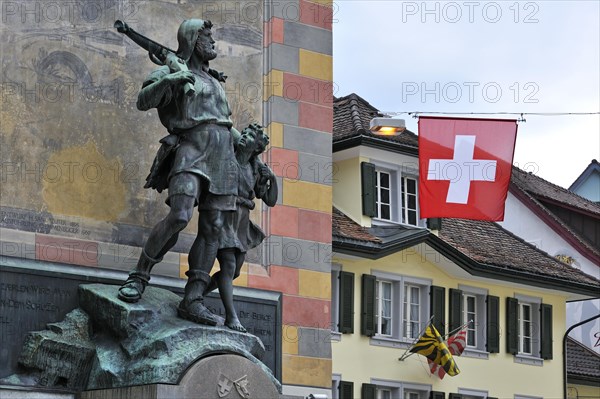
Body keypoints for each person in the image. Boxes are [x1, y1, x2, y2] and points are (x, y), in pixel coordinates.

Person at [117, 19, 240, 327]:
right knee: (180, 216)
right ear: (192, 38)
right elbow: (143, 101)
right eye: (207, 36)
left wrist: (252, 155)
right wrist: (173, 80)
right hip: (191, 147)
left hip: (223, 154)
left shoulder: (213, 80)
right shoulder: (170, 70)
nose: (213, 43)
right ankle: (139, 275)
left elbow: (225, 122)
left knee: (213, 227)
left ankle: (193, 298)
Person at [199, 123, 277, 332]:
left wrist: (273, 179)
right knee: (229, 265)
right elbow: (226, 126)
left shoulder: (254, 169)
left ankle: (197, 293)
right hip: (224, 215)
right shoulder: (229, 156)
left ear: (257, 147)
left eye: (251, 136)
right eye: (245, 134)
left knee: (234, 272)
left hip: (241, 221)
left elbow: (270, 200)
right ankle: (231, 316)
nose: (245, 137)